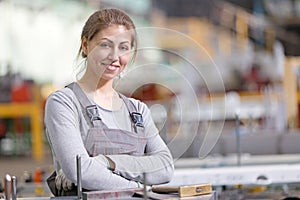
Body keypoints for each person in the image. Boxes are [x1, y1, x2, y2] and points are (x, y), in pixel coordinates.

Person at [44, 8, 174, 196]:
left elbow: (165, 167)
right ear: (85, 45)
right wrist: (140, 188)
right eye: (105, 45)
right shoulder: (64, 103)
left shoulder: (137, 111)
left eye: (123, 47)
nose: (114, 56)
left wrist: (105, 161)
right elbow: (80, 170)